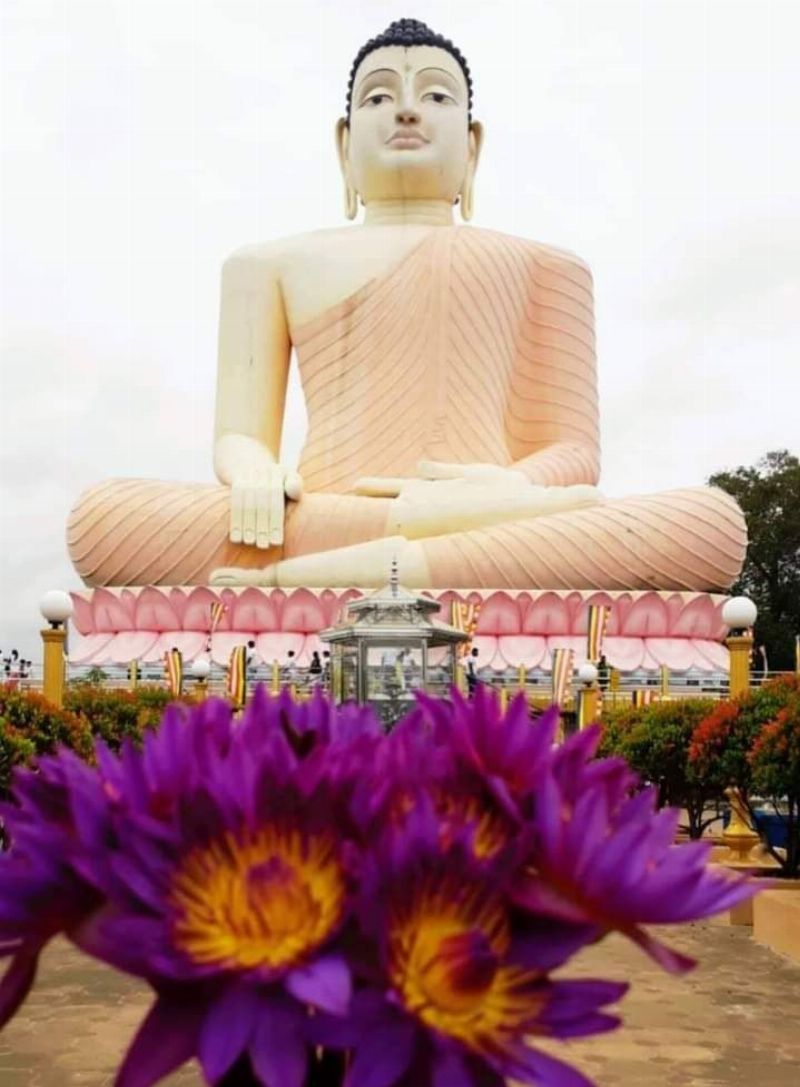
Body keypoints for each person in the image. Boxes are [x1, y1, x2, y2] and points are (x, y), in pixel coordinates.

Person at [66, 18, 746, 595]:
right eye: (380, 96)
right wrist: (251, 472)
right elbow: (241, 436)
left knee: (711, 525)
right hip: (324, 516)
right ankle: (397, 558)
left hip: (498, 512)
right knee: (99, 519)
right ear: (343, 142)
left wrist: (503, 489)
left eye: (437, 95)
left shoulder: (545, 264)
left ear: (473, 145)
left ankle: (316, 580)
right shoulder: (267, 264)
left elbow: (572, 452)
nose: (408, 110)